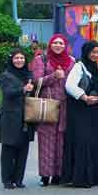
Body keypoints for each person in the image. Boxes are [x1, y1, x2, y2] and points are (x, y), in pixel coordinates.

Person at [62, 41, 98, 188]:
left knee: (96, 141)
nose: (96, 55)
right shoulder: (79, 66)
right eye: (93, 52)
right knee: (83, 142)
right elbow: (69, 85)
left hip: (95, 111)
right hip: (80, 110)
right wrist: (85, 97)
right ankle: (81, 178)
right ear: (86, 52)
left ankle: (97, 177)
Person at [30, 33, 74, 186]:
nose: (58, 46)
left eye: (61, 43)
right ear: (50, 44)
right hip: (47, 105)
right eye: (55, 43)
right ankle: (45, 175)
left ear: (65, 45)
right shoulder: (41, 59)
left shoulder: (71, 61)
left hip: (65, 106)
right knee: (46, 140)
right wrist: (54, 75)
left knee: (62, 140)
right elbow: (36, 81)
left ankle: (59, 174)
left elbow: (74, 82)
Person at [0, 49, 35, 189]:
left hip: (26, 117)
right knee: (9, 148)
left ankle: (19, 179)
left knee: (23, 149)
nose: (19, 60)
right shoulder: (6, 76)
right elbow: (7, 93)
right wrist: (23, 90)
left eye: (22, 58)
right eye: (16, 58)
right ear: (11, 60)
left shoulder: (29, 75)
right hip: (10, 117)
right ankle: (7, 180)